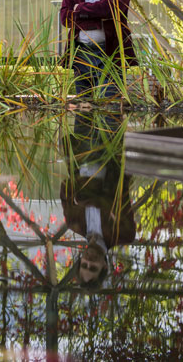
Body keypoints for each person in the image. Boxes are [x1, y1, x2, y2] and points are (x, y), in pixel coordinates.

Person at [60, 112, 136, 286]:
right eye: (93, 267)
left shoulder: (74, 223)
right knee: (110, 109)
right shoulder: (123, 235)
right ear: (104, 266)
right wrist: (87, 199)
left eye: (84, 264)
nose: (89, 261)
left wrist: (84, 192)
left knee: (84, 107)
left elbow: (65, 188)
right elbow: (116, 201)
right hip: (112, 157)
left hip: (81, 153)